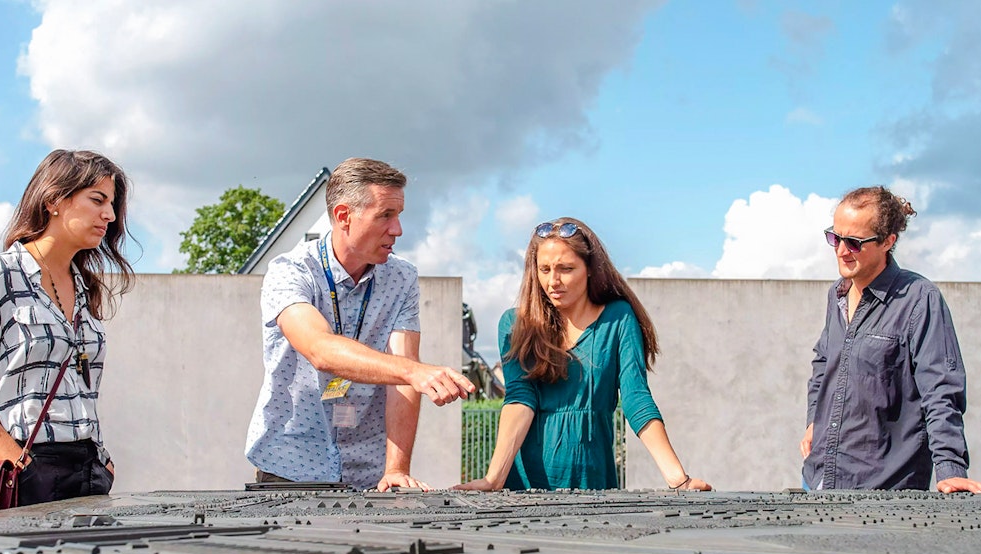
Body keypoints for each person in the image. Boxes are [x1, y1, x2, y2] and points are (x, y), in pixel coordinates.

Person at [245, 157, 474, 491]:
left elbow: (402, 379)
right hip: (289, 469)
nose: (397, 230)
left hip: (368, 475)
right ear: (343, 217)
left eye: (398, 215)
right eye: (385, 215)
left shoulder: (402, 277)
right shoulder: (290, 271)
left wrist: (396, 469)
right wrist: (413, 371)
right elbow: (320, 349)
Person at [455, 218, 710, 491]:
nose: (553, 281)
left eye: (566, 269)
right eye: (544, 269)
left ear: (590, 269)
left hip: (594, 482)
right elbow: (520, 400)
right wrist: (494, 479)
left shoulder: (619, 319)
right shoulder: (516, 325)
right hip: (525, 487)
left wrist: (677, 479)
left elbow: (636, 398)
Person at [0, 149, 135, 506]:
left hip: (89, 471)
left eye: (111, 203)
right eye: (97, 200)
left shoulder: (85, 286)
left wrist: (102, 462)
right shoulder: (0, 275)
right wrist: (18, 463)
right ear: (54, 199)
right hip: (25, 472)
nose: (108, 214)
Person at [802, 186, 981, 493]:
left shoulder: (919, 299)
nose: (841, 250)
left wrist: (950, 469)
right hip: (819, 479)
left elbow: (940, 389)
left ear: (888, 242)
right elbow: (824, 364)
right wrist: (813, 420)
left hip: (884, 491)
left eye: (854, 242)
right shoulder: (837, 295)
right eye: (835, 237)